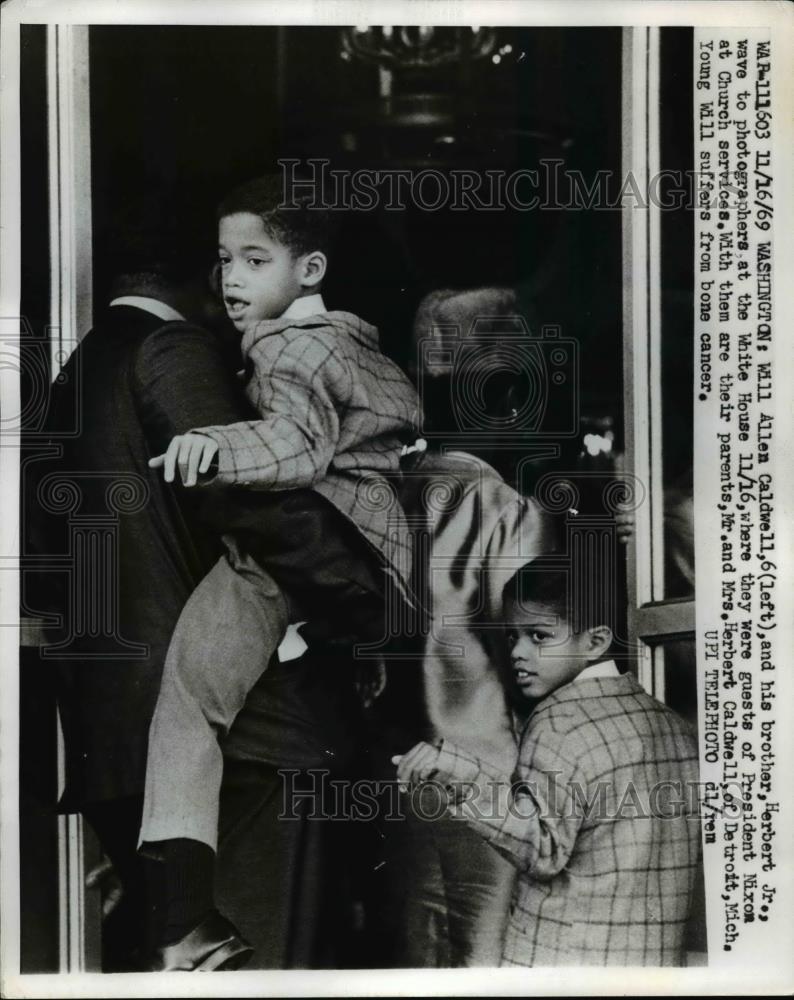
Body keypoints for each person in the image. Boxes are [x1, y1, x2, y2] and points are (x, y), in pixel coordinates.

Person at [29, 208, 372, 971]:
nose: (236, 286)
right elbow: (248, 492)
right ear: (204, 276)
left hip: (121, 741)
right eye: (229, 267)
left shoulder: (74, 376)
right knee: (266, 961)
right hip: (233, 734)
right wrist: (372, 590)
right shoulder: (172, 347)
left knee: (195, 965)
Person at [138, 176, 420, 969]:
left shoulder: (287, 346)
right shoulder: (356, 345)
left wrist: (217, 446)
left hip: (293, 558)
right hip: (365, 563)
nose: (231, 277)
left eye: (256, 260)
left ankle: (185, 922)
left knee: (188, 702)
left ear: (311, 270)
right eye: (225, 258)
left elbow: (297, 445)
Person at [394, 559, 701, 967]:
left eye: (539, 636)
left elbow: (543, 850)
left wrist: (455, 772)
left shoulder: (559, 720)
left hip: (560, 965)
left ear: (595, 642)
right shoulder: (674, 726)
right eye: (512, 638)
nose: (518, 653)